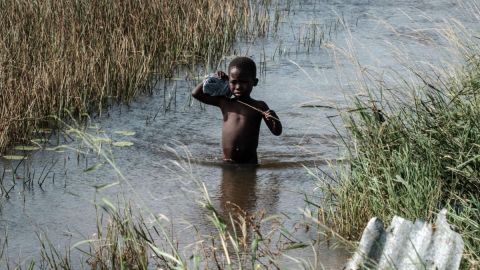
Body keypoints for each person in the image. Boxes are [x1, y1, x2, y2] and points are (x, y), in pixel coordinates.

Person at [192, 56, 282, 164]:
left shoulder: (259, 106)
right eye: (233, 82)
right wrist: (213, 77)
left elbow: (277, 132)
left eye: (243, 82)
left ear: (254, 82)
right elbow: (196, 93)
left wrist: (274, 118)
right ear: (228, 81)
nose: (238, 86)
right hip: (227, 162)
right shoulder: (224, 103)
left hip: (250, 163)